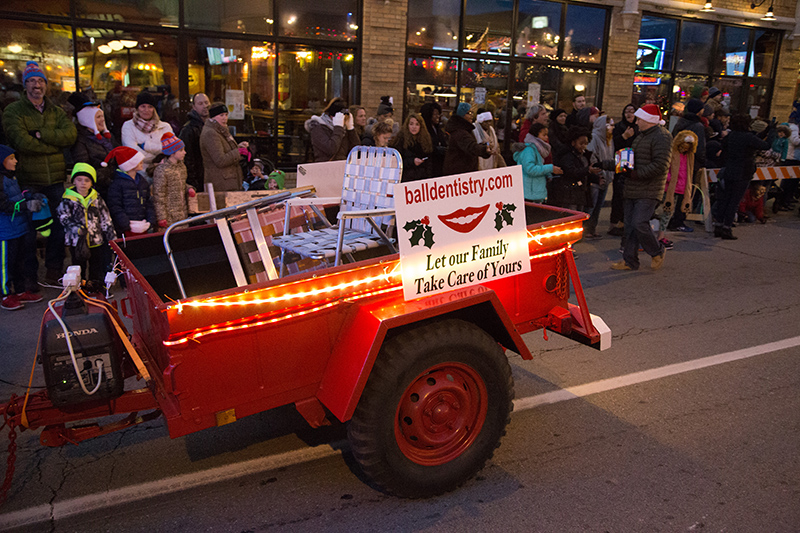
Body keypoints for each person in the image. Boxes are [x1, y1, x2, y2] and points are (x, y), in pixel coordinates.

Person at [2, 61, 77, 283]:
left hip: (54, 179)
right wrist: (54, 144)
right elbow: (20, 142)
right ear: (25, 85)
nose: (37, 85)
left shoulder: (56, 111)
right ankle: (28, 278)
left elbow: (70, 136)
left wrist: (41, 134)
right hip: (28, 180)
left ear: (46, 85)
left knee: (59, 226)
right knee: (27, 233)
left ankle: (54, 269)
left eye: (40, 81)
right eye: (32, 81)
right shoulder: (13, 111)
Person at [611, 104, 671, 272]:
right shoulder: (641, 136)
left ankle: (657, 251)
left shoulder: (662, 137)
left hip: (649, 189)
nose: (636, 122)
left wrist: (637, 174)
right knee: (629, 227)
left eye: (639, 119)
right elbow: (630, 159)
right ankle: (630, 261)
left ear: (649, 120)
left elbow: (660, 165)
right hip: (632, 188)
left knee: (639, 223)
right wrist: (609, 165)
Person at [712, 114, 769, 240]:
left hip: (729, 170)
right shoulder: (748, 137)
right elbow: (765, 145)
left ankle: (718, 226)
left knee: (724, 200)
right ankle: (727, 227)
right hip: (743, 172)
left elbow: (724, 151)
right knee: (734, 201)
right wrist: (767, 132)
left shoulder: (731, 136)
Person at [57, 163, 116, 283]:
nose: (83, 183)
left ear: (91, 183)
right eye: (79, 180)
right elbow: (63, 217)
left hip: (96, 240)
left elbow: (105, 217)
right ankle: (80, 290)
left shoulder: (96, 198)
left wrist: (111, 235)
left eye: (87, 180)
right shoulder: (68, 199)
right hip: (77, 242)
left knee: (96, 267)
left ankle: (96, 288)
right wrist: (76, 229)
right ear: (74, 181)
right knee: (78, 268)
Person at [0, 144, 42, 310]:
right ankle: (5, 295)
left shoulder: (12, 177)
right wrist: (25, 205)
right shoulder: (2, 179)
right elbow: (3, 205)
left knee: (19, 261)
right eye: (11, 158)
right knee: (5, 265)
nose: (15, 161)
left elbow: (17, 196)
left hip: (18, 227)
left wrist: (29, 195)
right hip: (5, 231)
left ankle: (19, 291)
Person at [69, 91, 118, 199]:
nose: (102, 120)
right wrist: (110, 181)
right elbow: (84, 169)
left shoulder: (109, 137)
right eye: (98, 117)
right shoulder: (80, 141)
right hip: (97, 190)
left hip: (114, 187)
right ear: (88, 120)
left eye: (102, 116)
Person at [103, 146, 156, 237]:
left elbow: (148, 202)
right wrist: (125, 224)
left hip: (143, 225)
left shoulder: (142, 181)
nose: (142, 163)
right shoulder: (117, 184)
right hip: (127, 228)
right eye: (138, 161)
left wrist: (150, 220)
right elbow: (115, 206)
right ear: (130, 165)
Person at [657, 131, 698, 248]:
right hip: (668, 187)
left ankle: (661, 235)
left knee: (668, 213)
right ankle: (659, 235)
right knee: (664, 211)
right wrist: (669, 179)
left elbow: (687, 172)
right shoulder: (672, 153)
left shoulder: (689, 156)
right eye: (683, 147)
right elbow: (666, 169)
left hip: (680, 188)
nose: (684, 149)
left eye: (687, 148)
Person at [121, 91, 174, 172]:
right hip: (139, 173)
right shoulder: (128, 126)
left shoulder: (165, 127)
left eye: (150, 107)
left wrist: (145, 146)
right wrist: (157, 158)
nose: (146, 110)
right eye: (143, 106)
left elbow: (172, 148)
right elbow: (132, 151)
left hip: (163, 172)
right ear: (137, 108)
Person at [549, 126, 599, 212]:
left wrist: (595, 178)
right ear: (573, 143)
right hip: (569, 194)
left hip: (580, 194)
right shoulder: (567, 156)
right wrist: (588, 170)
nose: (584, 146)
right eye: (581, 143)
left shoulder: (583, 156)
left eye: (586, 144)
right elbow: (571, 171)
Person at [200, 102, 247, 191]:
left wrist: (239, 147)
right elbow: (220, 160)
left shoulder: (222, 130)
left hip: (228, 182)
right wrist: (238, 152)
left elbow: (227, 151)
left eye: (226, 115)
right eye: (221, 115)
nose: (225, 118)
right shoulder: (211, 133)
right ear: (213, 116)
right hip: (221, 183)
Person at [512, 122, 562, 203]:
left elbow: (537, 166)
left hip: (534, 191)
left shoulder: (536, 150)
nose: (546, 137)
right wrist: (549, 168)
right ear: (535, 135)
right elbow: (530, 169)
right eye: (544, 135)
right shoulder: (529, 150)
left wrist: (548, 173)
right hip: (529, 193)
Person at [152, 133, 194, 229]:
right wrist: (161, 217)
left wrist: (189, 188)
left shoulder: (182, 167)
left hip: (182, 213)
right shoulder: (162, 170)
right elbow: (159, 195)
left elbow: (181, 184)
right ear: (172, 152)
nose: (185, 152)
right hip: (169, 217)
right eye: (181, 150)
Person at [609, 104, 638, 236]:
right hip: (622, 160)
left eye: (632, 111)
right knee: (618, 194)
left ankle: (625, 222)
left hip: (635, 163)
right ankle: (615, 223)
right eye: (627, 111)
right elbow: (613, 144)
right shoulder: (619, 127)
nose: (629, 114)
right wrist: (624, 137)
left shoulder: (638, 128)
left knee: (630, 194)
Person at [585, 115, 615, 238]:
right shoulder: (595, 138)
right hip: (597, 176)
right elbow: (592, 156)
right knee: (591, 205)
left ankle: (592, 228)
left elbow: (611, 156)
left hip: (606, 177)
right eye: (609, 125)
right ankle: (585, 229)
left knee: (599, 205)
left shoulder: (609, 140)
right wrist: (600, 173)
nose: (611, 128)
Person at [443, 102, 492, 175]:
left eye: (472, 112)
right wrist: (484, 149)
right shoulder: (460, 132)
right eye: (469, 113)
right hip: (460, 173)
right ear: (462, 115)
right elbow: (470, 146)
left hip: (462, 171)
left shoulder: (464, 130)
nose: (471, 115)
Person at [304, 97, 359, 162]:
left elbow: (356, 150)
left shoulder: (342, 129)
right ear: (333, 117)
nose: (344, 121)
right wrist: (338, 127)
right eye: (343, 118)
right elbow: (331, 149)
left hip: (342, 167)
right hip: (325, 167)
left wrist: (351, 128)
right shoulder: (318, 127)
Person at [178, 92, 210, 191]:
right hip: (198, 179)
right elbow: (187, 158)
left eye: (206, 102)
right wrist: (193, 182)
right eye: (200, 104)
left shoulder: (215, 125)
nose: (204, 106)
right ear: (194, 107)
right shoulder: (188, 129)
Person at [390, 113, 432, 182]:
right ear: (407, 125)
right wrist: (412, 161)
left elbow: (429, 162)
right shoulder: (401, 140)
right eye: (411, 124)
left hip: (421, 179)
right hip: (406, 178)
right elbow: (397, 161)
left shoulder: (425, 140)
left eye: (417, 124)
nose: (414, 127)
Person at [419, 102, 448, 177]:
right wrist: (437, 149)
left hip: (438, 165)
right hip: (428, 166)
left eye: (439, 114)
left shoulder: (438, 129)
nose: (438, 116)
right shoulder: (423, 130)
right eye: (435, 114)